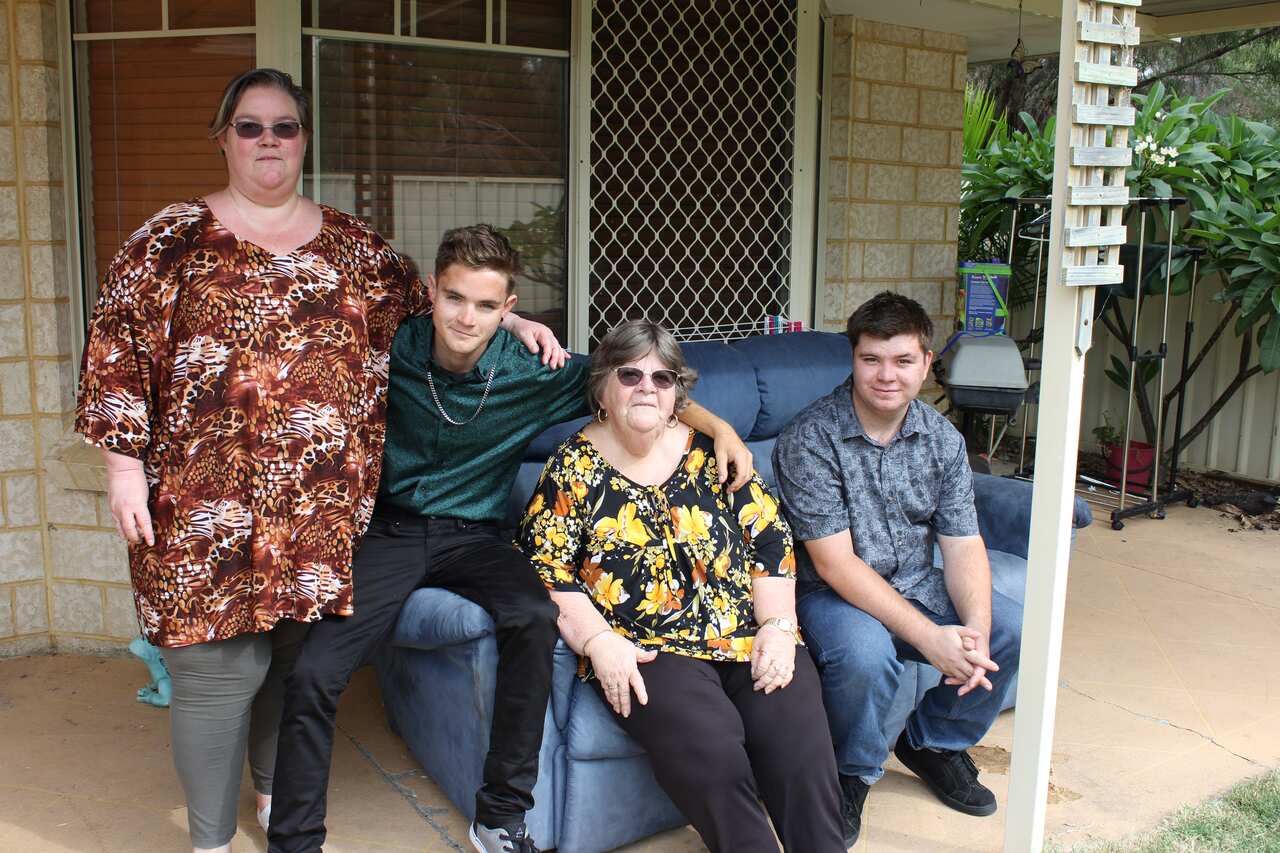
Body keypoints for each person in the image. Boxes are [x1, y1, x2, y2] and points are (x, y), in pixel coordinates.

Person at [75, 68, 560, 853]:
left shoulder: (355, 247)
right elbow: (116, 354)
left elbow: (436, 317)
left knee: (290, 655)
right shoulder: (167, 240)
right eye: (250, 126)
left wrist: (514, 322)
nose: (269, 140)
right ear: (224, 136)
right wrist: (124, 467)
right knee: (215, 670)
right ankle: (208, 839)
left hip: (319, 507)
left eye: (285, 126)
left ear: (304, 139)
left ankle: (275, 799)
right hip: (201, 504)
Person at [267, 237, 754, 853]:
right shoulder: (390, 343)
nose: (466, 318)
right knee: (314, 672)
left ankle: (499, 814)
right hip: (392, 529)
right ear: (432, 292)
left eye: (487, 305)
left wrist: (722, 428)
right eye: (454, 298)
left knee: (532, 614)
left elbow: (640, 389)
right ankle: (294, 840)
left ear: (509, 308)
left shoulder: (533, 369)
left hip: (476, 535)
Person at [517, 320, 845, 853]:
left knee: (800, 746)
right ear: (602, 387)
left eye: (663, 378)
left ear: (678, 394)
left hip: (745, 630)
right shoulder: (571, 468)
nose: (647, 386)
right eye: (630, 374)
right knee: (712, 749)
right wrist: (600, 644)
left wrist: (780, 627)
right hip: (648, 649)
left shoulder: (716, 454)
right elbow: (546, 566)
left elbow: (769, 541)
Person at [773, 291, 1022, 846]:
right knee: (866, 654)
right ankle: (849, 775)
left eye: (903, 360)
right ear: (854, 359)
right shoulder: (809, 438)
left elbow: (962, 545)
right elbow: (835, 565)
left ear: (927, 363)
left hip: (916, 579)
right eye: (872, 359)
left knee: (1009, 630)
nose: (887, 375)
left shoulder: (942, 440)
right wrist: (931, 638)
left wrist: (972, 633)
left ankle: (934, 742)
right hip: (829, 593)